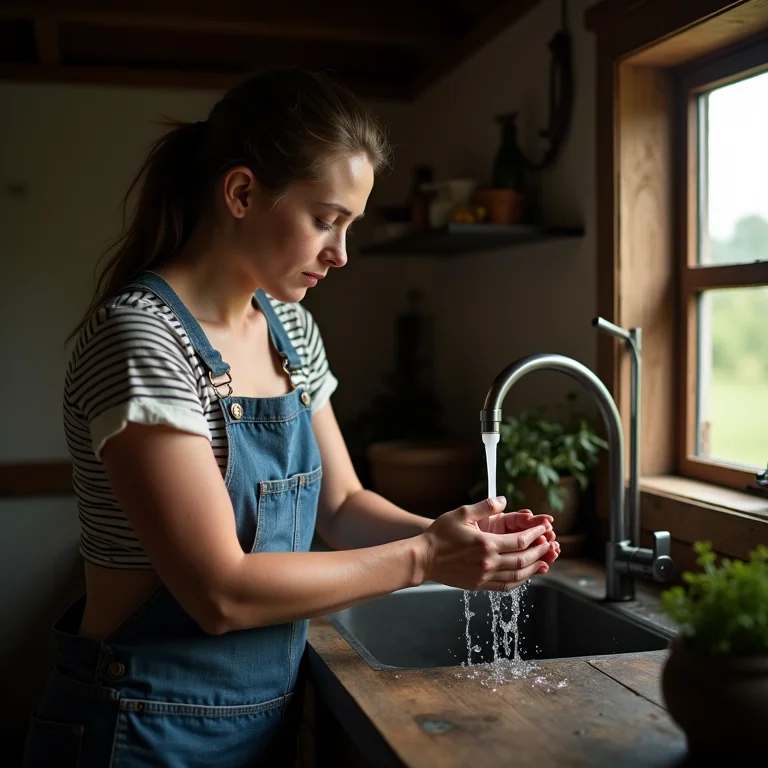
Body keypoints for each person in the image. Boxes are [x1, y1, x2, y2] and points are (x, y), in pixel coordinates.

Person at [23, 67, 560, 768]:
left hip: (262, 721)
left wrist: (460, 538)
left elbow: (341, 504)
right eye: (325, 220)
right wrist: (427, 557)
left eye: (349, 227)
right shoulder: (144, 340)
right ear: (242, 192)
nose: (340, 254)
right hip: (141, 728)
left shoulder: (291, 330)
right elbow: (219, 592)